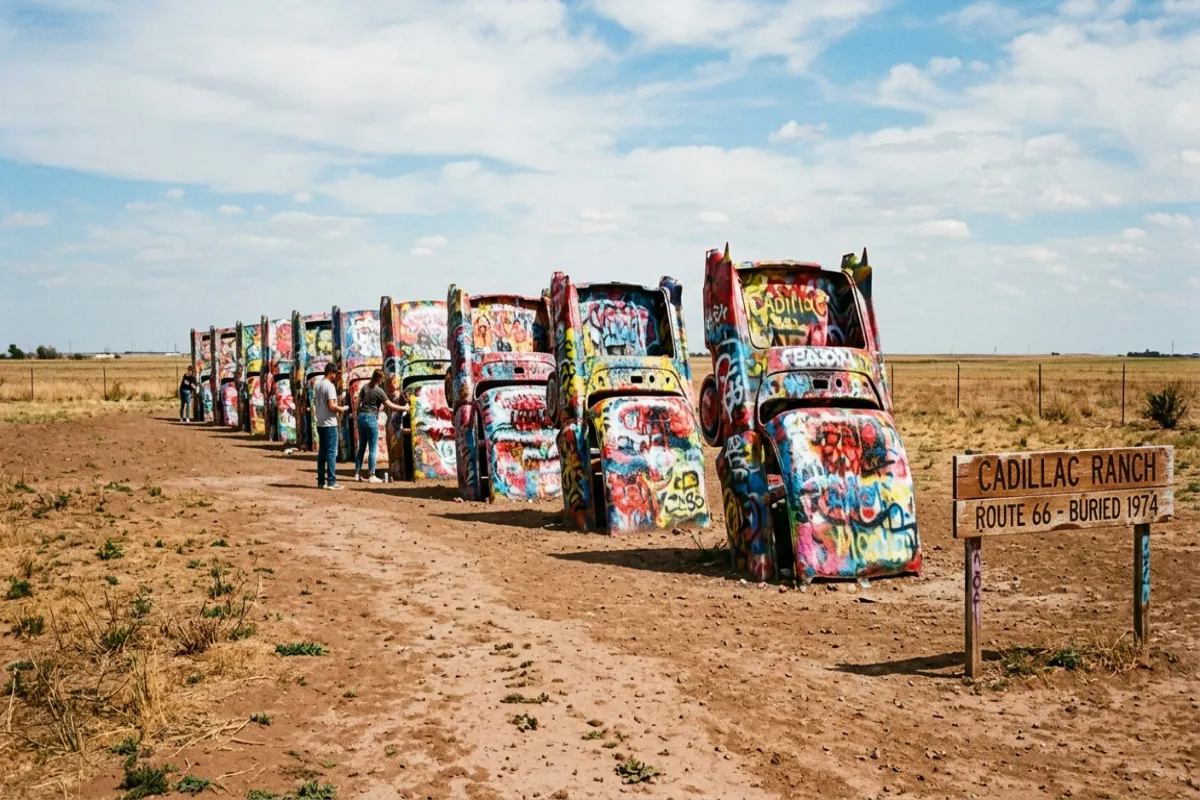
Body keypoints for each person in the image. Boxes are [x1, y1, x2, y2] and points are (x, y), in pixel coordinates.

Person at [355, 369, 406, 482]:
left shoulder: (364, 387)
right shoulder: (379, 391)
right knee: (372, 448)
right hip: (371, 418)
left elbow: (358, 404)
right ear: (380, 379)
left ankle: (357, 473)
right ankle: (372, 475)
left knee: (362, 447)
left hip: (361, 418)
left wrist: (358, 416)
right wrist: (404, 408)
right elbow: (390, 405)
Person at [314, 362, 348, 490]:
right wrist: (342, 409)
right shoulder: (330, 386)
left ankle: (321, 481)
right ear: (331, 373)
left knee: (322, 453)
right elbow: (331, 405)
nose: (336, 376)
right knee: (331, 453)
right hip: (329, 423)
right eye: (335, 374)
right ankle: (332, 482)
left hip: (320, 423)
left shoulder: (318, 385)